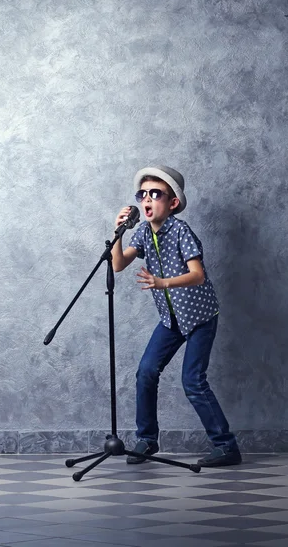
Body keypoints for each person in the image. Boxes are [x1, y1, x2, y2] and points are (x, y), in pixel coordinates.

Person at [112, 165, 242, 467]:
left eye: (155, 194)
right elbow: (118, 264)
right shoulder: (143, 231)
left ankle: (226, 446)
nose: (147, 199)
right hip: (171, 319)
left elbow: (197, 276)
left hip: (199, 316)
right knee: (146, 372)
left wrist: (163, 282)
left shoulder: (180, 230)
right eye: (142, 194)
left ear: (172, 203)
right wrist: (117, 232)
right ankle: (147, 440)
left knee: (192, 381)